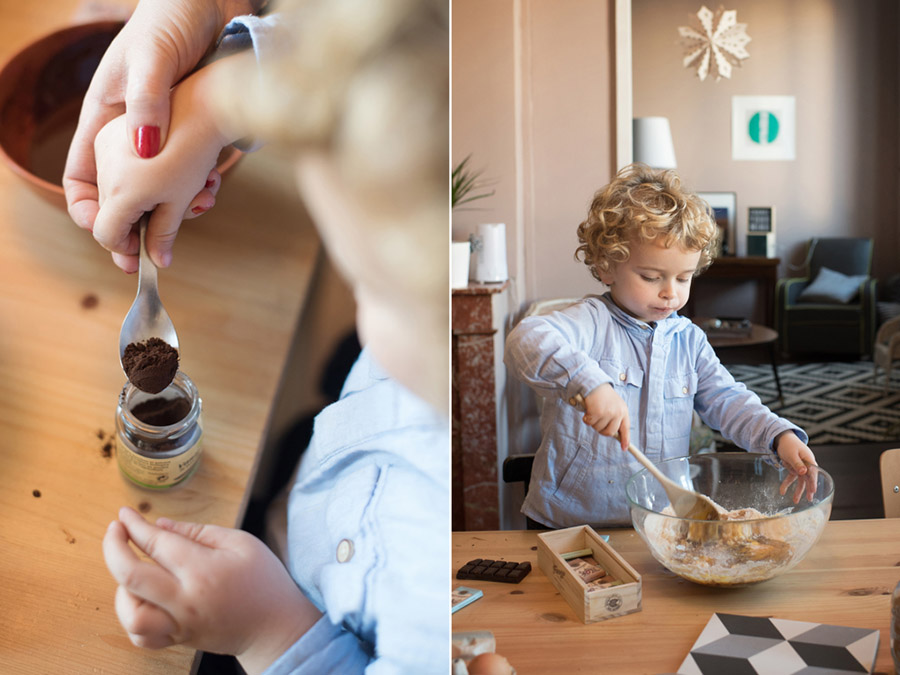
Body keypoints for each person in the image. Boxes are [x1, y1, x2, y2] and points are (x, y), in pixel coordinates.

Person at [91, 0, 450, 672]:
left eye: (368, 284)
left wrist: (269, 632)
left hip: (290, 623)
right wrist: (217, 90)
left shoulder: (438, 592)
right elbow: (392, 38)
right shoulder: (430, 69)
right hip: (326, 465)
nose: (358, 304)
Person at [504, 163, 817, 529]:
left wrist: (777, 434)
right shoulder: (590, 322)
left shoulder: (690, 341)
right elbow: (525, 340)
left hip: (660, 521)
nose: (670, 291)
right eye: (652, 277)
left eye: (684, 278)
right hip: (571, 522)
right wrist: (590, 383)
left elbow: (728, 400)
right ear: (607, 267)